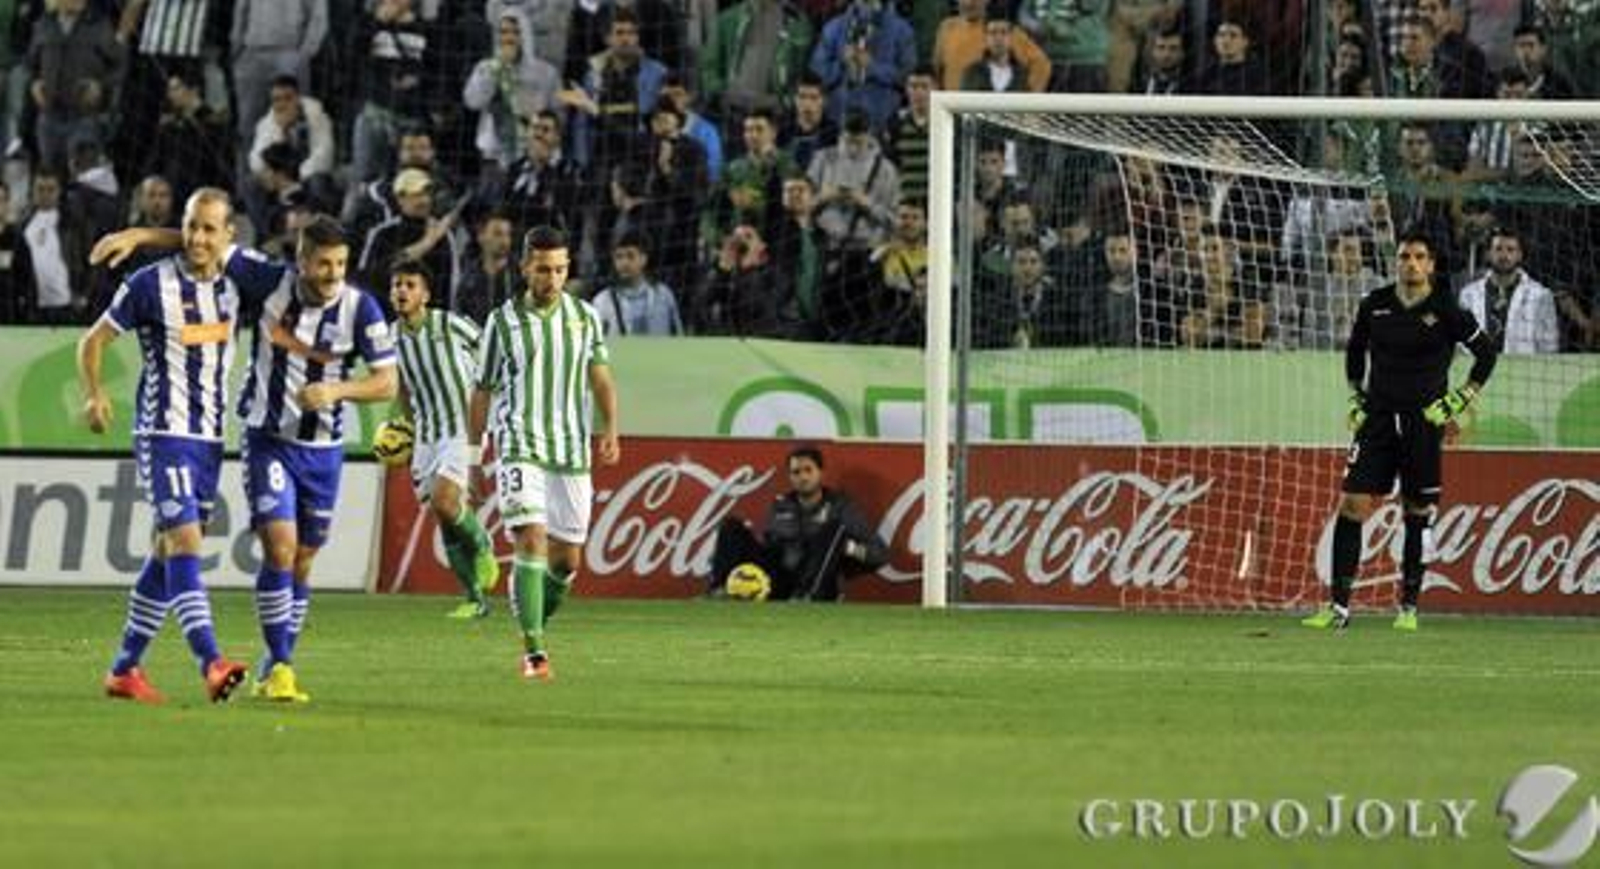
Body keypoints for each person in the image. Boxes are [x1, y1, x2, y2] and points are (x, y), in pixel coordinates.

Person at [91, 214, 400, 702]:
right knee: (277, 546)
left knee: (302, 560)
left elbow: (387, 381)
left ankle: (132, 667)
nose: (333, 274)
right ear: (301, 261)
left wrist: (339, 389)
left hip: (324, 448)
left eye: (340, 264)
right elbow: (202, 243)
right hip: (266, 439)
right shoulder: (267, 280)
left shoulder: (362, 309)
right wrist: (138, 235)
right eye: (323, 264)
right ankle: (266, 666)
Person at [78, 187, 251, 705]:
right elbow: (93, 341)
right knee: (186, 544)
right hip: (164, 433)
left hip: (211, 439)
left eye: (208, 229)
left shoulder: (239, 281)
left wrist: (142, 234)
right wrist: (95, 395)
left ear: (228, 236)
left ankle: (123, 669)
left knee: (165, 550)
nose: (197, 238)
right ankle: (211, 662)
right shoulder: (149, 284)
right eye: (190, 226)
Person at [1302, 231, 1498, 632]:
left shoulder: (1447, 309)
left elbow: (1487, 353)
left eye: (1419, 256)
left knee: (1417, 511)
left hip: (1423, 422)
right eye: (1405, 256)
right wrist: (1357, 395)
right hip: (1376, 419)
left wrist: (1461, 398)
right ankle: (1338, 608)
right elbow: (1355, 352)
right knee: (1353, 504)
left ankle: (1408, 607)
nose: (1410, 262)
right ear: (1397, 261)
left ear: (1431, 265)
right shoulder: (1375, 305)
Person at [467, 225, 620, 682]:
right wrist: (474, 456)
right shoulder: (501, 322)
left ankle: (533, 618)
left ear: (568, 268)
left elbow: (601, 378)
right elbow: (482, 391)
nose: (551, 279)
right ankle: (534, 650)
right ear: (524, 268)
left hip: (571, 448)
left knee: (567, 561)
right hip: (518, 444)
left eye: (559, 270)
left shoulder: (585, 317)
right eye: (542, 270)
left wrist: (610, 428)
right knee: (530, 538)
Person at [388, 259, 500, 618]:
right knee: (443, 514)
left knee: (445, 500)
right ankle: (474, 599)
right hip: (427, 434)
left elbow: (492, 356)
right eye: (397, 285)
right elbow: (402, 386)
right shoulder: (391, 338)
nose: (402, 291)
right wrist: (408, 426)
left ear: (426, 294)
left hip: (460, 427)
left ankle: (483, 544)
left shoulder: (450, 325)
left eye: (410, 285)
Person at [708, 444, 889, 602]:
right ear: (790, 477)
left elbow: (879, 554)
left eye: (808, 470)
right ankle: (718, 590)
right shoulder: (781, 505)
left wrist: (845, 547)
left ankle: (806, 596)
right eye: (796, 472)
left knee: (833, 530)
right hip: (779, 579)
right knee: (731, 526)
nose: (803, 477)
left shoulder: (840, 507)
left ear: (821, 473)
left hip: (818, 582)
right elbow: (768, 548)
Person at [1455, 226, 1561, 354]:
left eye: (1510, 250)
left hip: (1524, 371)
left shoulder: (1540, 295)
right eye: (1498, 249)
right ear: (1488, 254)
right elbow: (1460, 342)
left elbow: (1549, 346)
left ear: (1520, 255)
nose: (1504, 256)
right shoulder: (1468, 294)